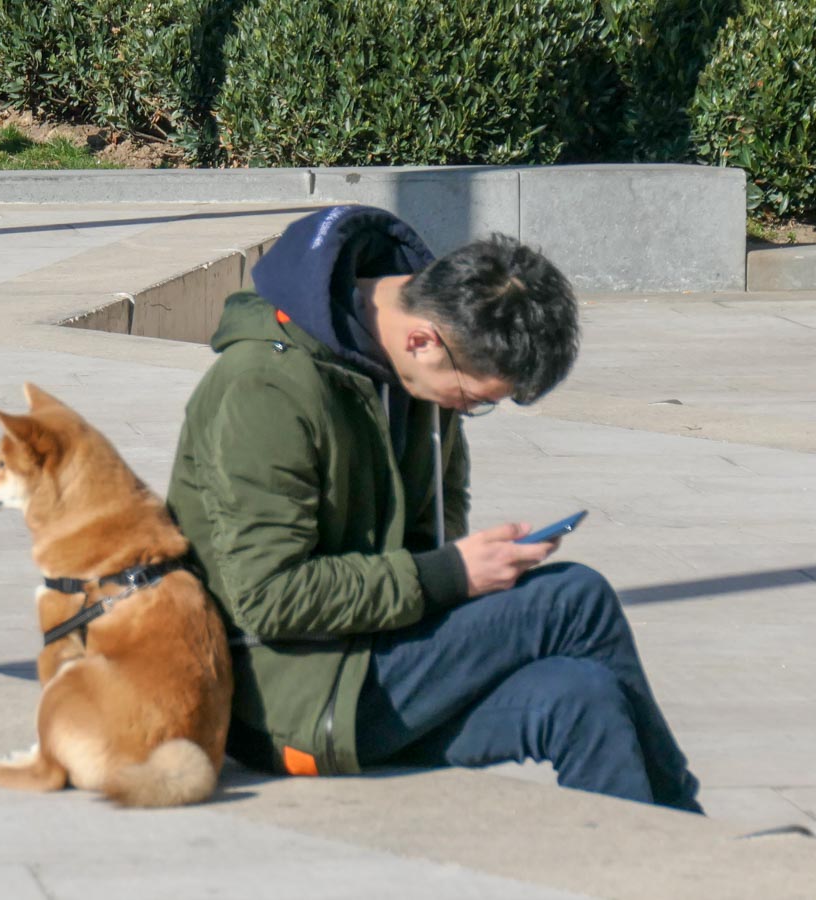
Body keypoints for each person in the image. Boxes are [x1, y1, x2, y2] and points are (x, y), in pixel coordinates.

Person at [165, 205, 701, 811]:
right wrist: (450, 574)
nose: (464, 411)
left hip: (380, 655)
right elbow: (267, 598)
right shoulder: (264, 388)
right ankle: (692, 826)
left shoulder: (412, 375)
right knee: (574, 598)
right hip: (287, 694)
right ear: (422, 340)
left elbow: (438, 521)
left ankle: (667, 850)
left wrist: (474, 574)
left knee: (583, 695)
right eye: (473, 399)